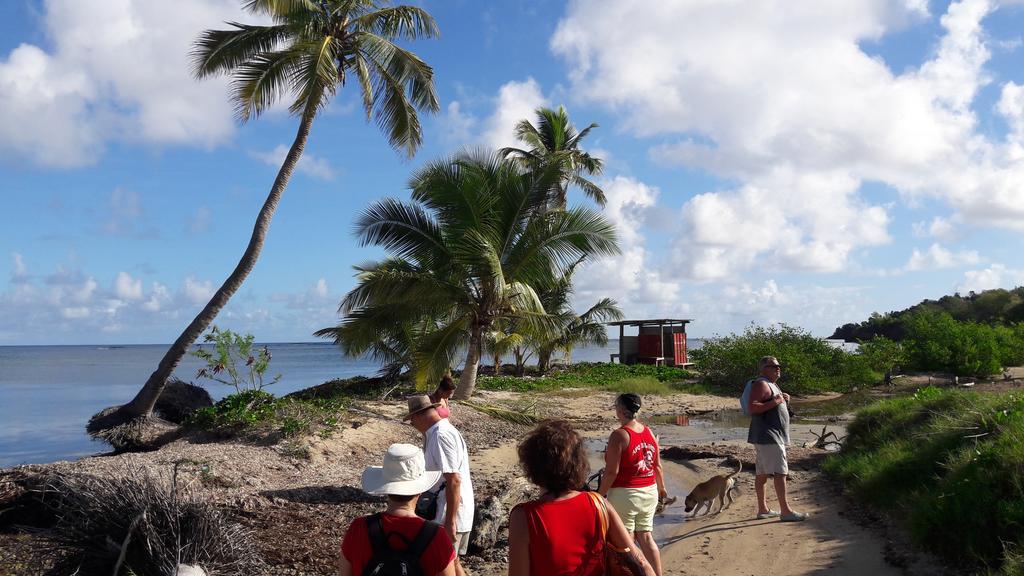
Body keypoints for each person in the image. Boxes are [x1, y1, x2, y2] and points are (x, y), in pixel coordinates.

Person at [509, 419, 655, 576]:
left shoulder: (524, 516)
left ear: (531, 465)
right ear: (578, 463)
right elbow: (641, 562)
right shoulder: (598, 503)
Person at [340, 443, 456, 576]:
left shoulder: (358, 528)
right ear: (421, 490)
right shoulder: (437, 536)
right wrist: (455, 561)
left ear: (386, 488)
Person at [597, 393, 666, 576]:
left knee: (625, 542)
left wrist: (598, 495)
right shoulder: (649, 432)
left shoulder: (619, 435)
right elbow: (657, 466)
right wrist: (661, 488)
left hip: (625, 495)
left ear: (620, 410)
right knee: (646, 536)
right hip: (649, 491)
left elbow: (612, 472)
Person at [405, 394, 474, 576]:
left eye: (412, 420)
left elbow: (454, 480)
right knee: (453, 564)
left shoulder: (440, 435)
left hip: (448, 514)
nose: (412, 425)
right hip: (447, 511)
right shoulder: (438, 431)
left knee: (443, 567)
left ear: (419, 415)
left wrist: (450, 522)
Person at [746, 355, 808, 522]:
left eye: (778, 365)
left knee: (762, 473)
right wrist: (776, 401)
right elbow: (753, 407)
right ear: (763, 369)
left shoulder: (771, 384)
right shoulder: (761, 383)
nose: (778, 368)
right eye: (773, 366)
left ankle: (763, 510)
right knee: (780, 472)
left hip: (769, 436)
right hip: (769, 436)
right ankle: (785, 512)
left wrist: (782, 398)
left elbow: (772, 402)